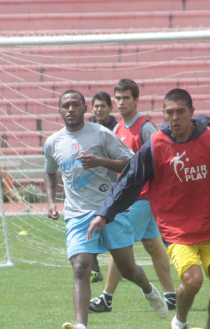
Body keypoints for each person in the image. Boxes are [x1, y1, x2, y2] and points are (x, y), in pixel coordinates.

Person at [87, 88, 210, 329]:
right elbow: (129, 183)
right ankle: (181, 322)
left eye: (180, 112)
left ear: (191, 112)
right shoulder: (155, 145)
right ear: (164, 114)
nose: (174, 118)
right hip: (177, 231)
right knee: (193, 279)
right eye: (169, 113)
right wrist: (104, 213)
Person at [44, 89, 168, 329]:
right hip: (77, 214)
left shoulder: (101, 134)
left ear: (84, 108)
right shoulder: (53, 143)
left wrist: (99, 161)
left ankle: (149, 291)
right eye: (65, 105)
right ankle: (82, 328)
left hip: (110, 209)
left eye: (75, 104)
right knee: (80, 267)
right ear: (59, 110)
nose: (70, 109)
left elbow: (131, 164)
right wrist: (50, 201)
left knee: (128, 269)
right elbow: (49, 172)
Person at [89, 78, 176, 314]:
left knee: (120, 245)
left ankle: (106, 298)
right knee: (152, 245)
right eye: (118, 98)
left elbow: (163, 158)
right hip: (134, 197)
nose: (121, 103)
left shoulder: (146, 127)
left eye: (126, 98)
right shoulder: (118, 128)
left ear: (136, 100)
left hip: (142, 197)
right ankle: (171, 295)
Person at [89, 92, 118, 283]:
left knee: (113, 229)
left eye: (103, 106)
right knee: (88, 225)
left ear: (110, 108)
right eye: (96, 106)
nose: (99, 109)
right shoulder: (86, 128)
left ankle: (119, 268)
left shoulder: (117, 129)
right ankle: (93, 269)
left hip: (113, 184)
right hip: (90, 185)